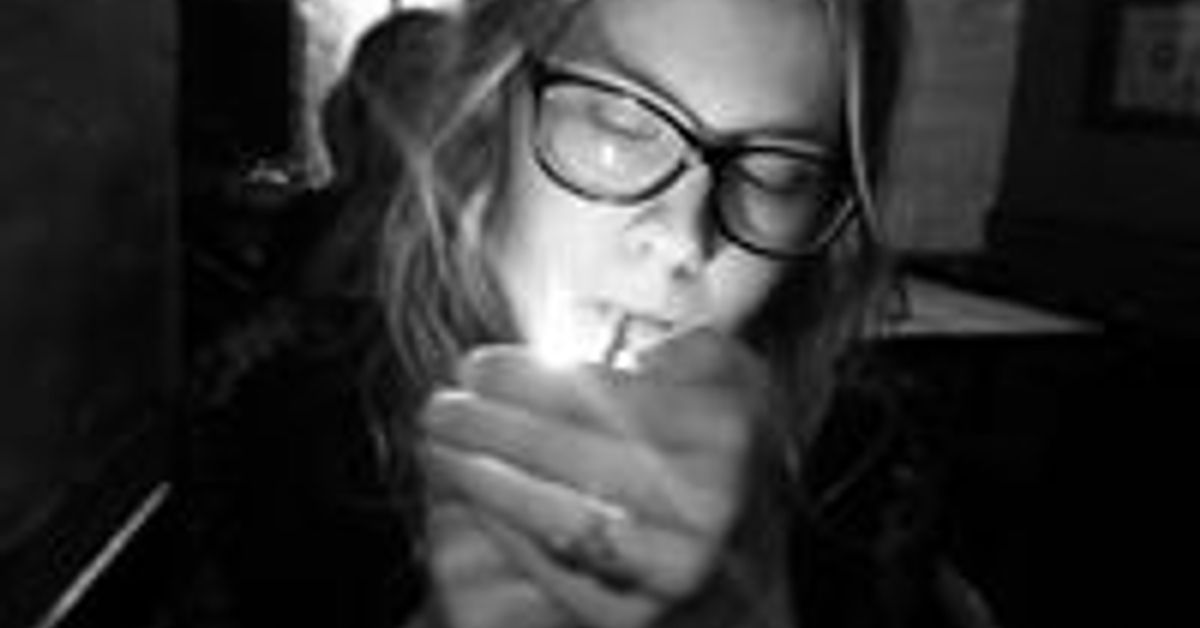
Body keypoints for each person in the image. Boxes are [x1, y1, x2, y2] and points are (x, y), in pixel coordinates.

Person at [197, 0, 940, 627]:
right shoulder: (296, 424)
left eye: (777, 177)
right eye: (618, 124)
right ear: (491, 114)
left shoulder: (856, 472)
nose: (684, 239)